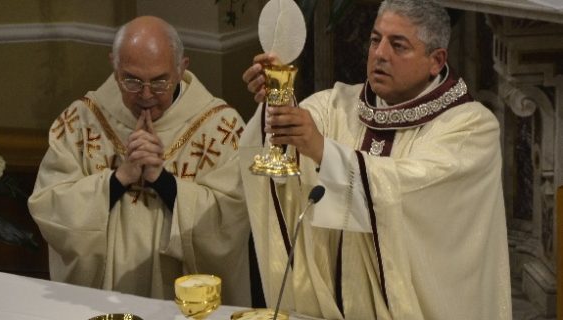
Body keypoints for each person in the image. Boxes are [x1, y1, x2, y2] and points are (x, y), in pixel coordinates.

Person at [239, 0, 511, 319]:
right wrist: (277, 100)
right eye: (375, 39)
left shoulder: (471, 129)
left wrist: (321, 149)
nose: (380, 54)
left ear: (436, 60)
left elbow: (410, 189)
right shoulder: (338, 106)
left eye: (398, 45)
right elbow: (279, 149)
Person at [28, 16, 251, 306]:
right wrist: (118, 179)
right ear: (114, 66)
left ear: (182, 67)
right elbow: (49, 206)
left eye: (160, 81)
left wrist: (163, 181)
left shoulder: (221, 128)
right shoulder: (81, 121)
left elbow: (233, 219)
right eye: (132, 80)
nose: (146, 95)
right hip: (101, 303)